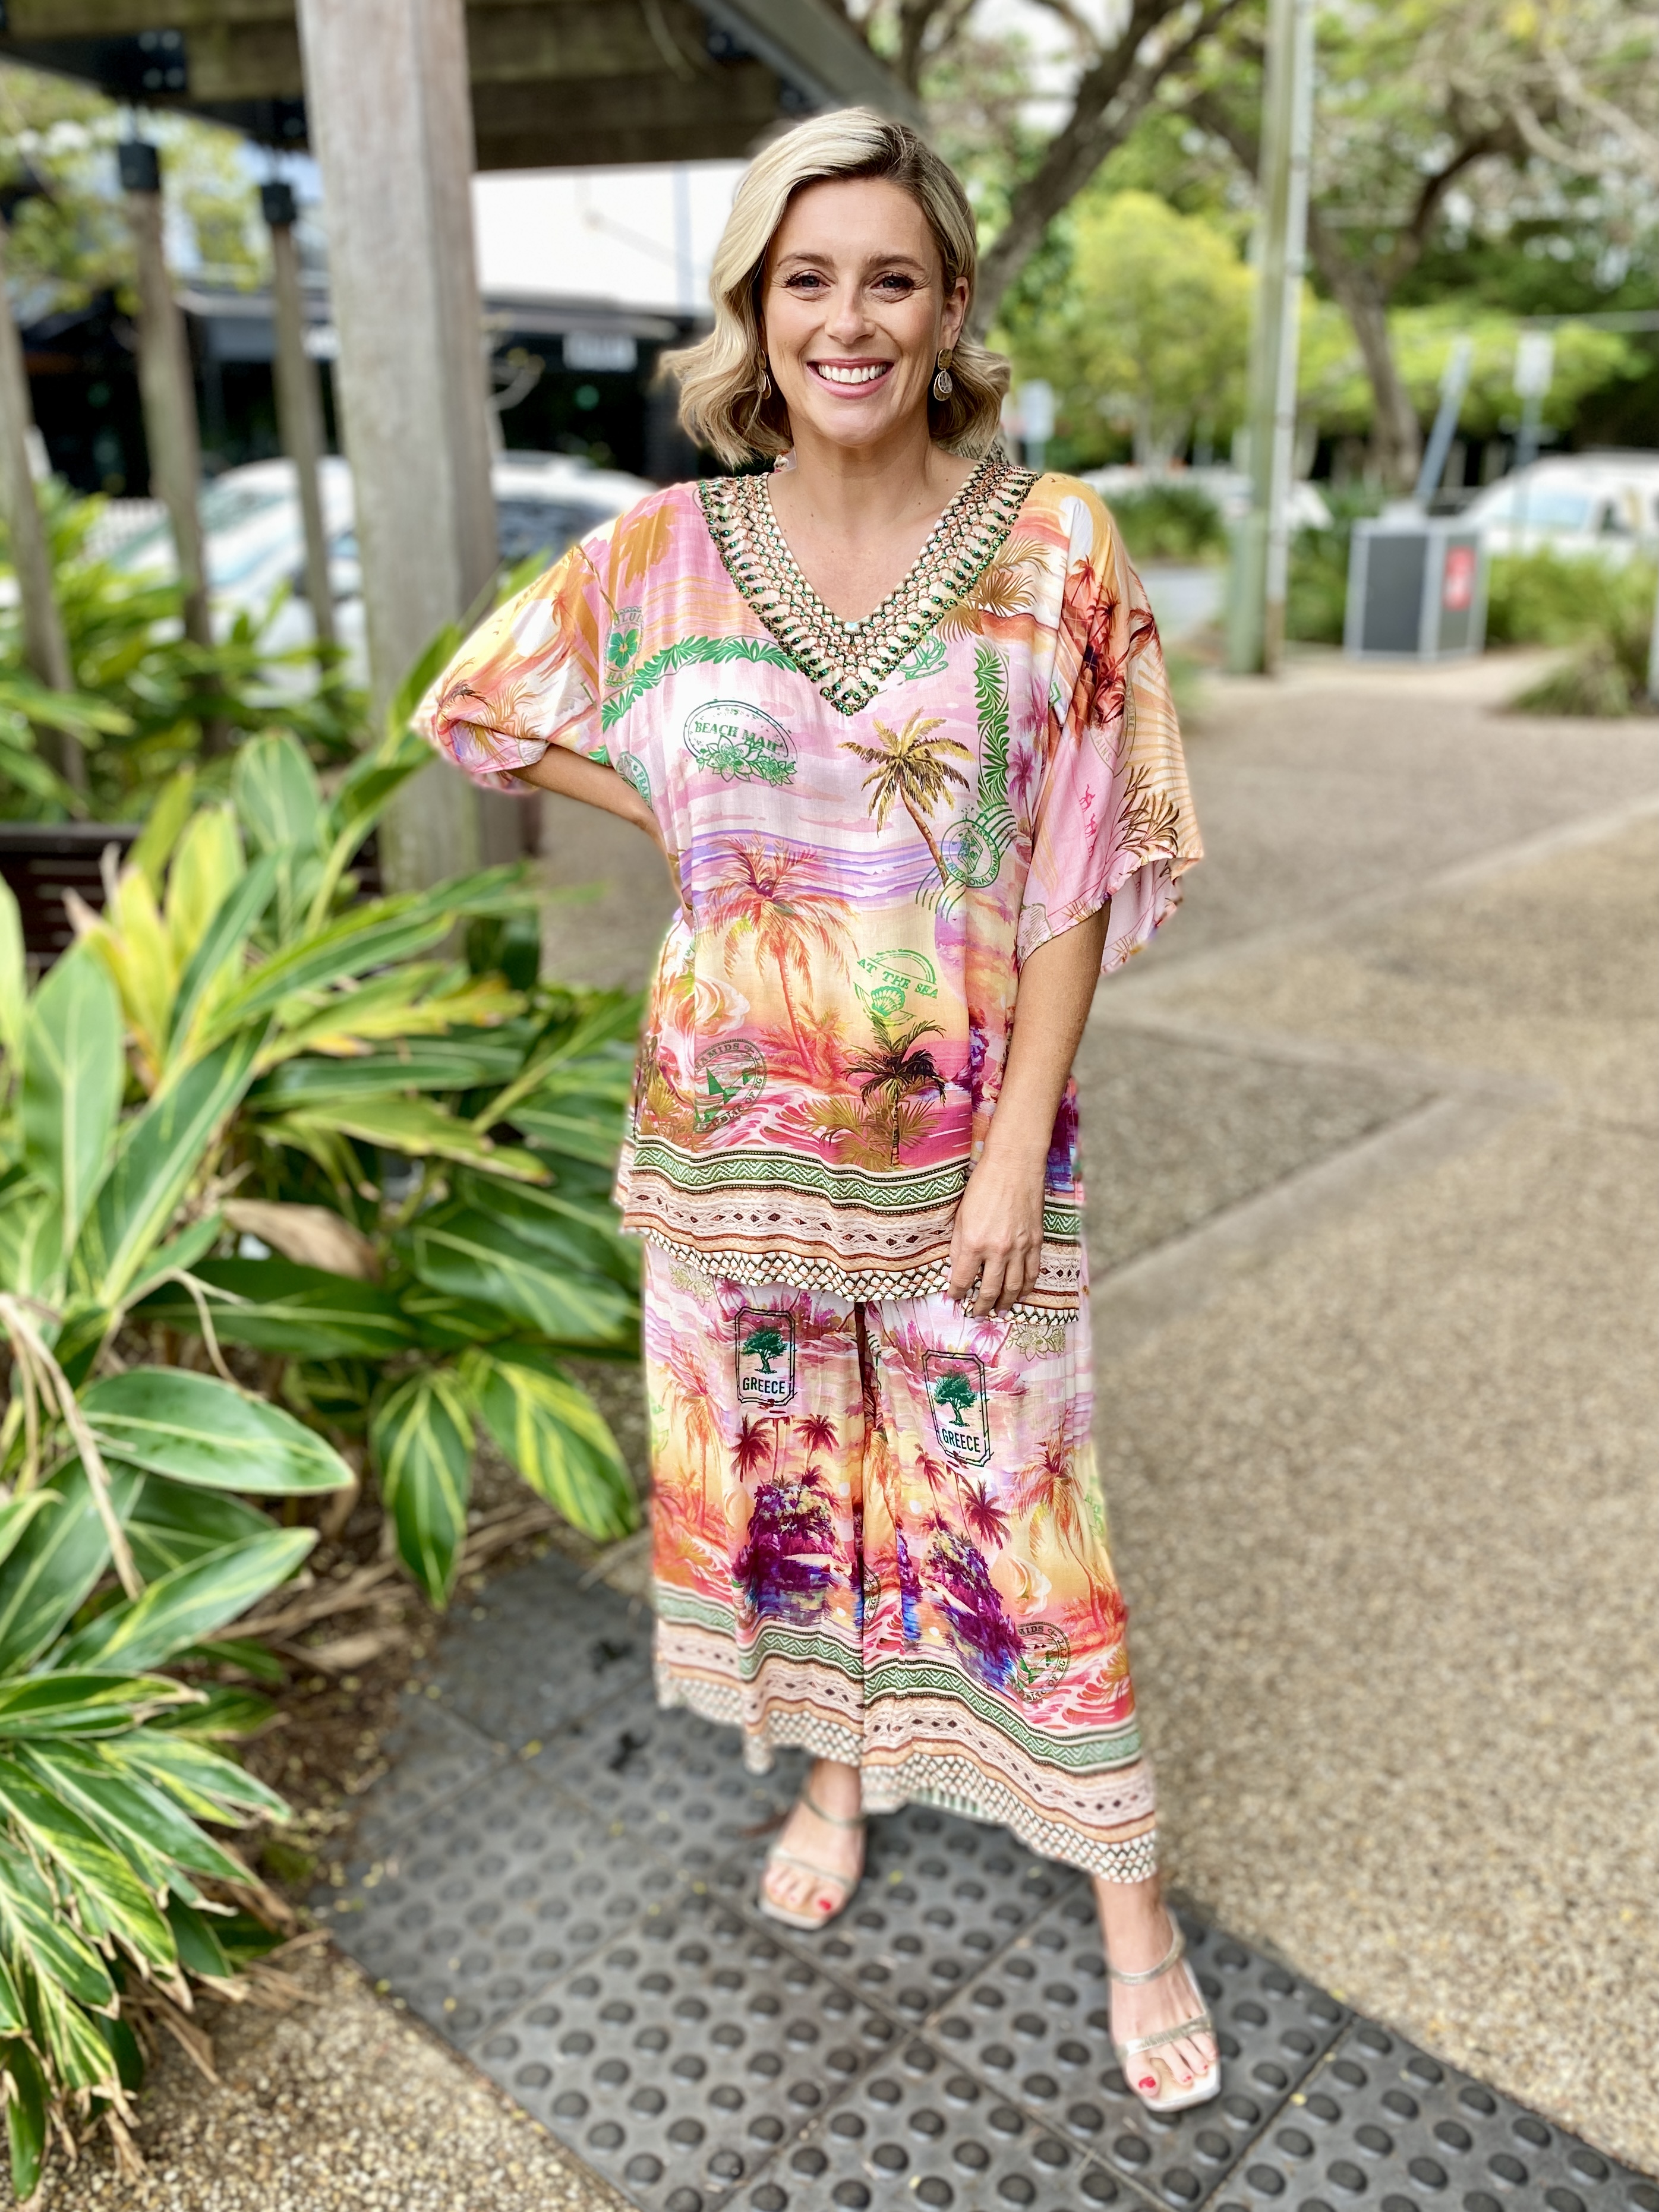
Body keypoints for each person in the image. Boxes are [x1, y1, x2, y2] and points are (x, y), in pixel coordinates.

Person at [419, 109, 1212, 2113]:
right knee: (801, 1487)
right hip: (732, 1138)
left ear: (948, 307)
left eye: (889, 280)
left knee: (1030, 1519)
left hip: (967, 1149)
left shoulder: (1055, 546)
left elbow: (1082, 861)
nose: (847, 320)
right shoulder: (662, 551)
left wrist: (1019, 1141)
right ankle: (840, 1779)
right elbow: (481, 706)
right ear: (756, 310)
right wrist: (685, 805)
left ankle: (1134, 1910)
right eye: (806, 280)